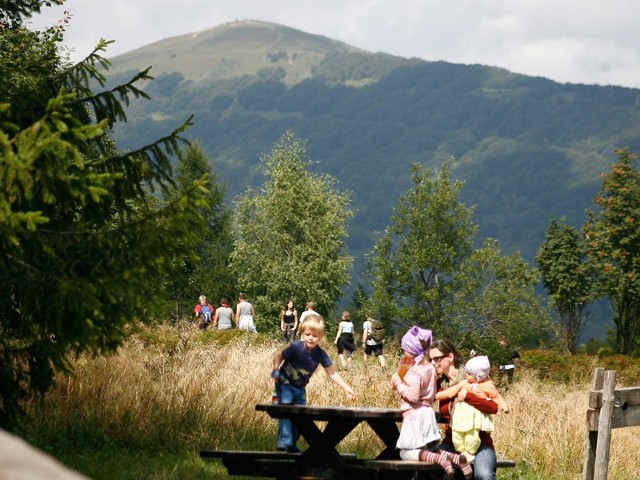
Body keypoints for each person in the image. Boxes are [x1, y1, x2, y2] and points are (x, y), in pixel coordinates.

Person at [391, 326, 472, 480]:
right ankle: (455, 458)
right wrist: (404, 369)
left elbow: (413, 396)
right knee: (428, 450)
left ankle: (441, 459)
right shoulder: (430, 368)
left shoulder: (415, 371)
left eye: (405, 349)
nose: (403, 353)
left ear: (412, 350)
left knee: (404, 452)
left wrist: (398, 383)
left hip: (415, 416)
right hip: (428, 413)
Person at [272, 314, 356, 452]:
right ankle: (284, 444)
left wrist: (346, 388)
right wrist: (276, 369)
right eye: (308, 334)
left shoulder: (321, 354)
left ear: (321, 336)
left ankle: (291, 444)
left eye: (315, 335)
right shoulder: (296, 347)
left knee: (301, 416)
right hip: (284, 383)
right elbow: (278, 357)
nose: (311, 338)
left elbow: (332, 373)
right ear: (303, 333)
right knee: (287, 411)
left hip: (300, 387)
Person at [430, 339, 499, 480]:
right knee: (427, 465)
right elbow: (421, 399)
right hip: (452, 443)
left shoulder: (474, 379)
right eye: (430, 359)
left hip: (480, 443)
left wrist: (468, 396)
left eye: (437, 358)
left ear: (450, 357)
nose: (433, 363)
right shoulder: (439, 384)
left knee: (484, 475)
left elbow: (493, 407)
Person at [435, 356, 510, 463]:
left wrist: (504, 406)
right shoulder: (464, 383)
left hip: (475, 420)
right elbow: (452, 391)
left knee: (472, 436)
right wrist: (440, 395)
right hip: (460, 418)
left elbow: (496, 397)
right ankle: (461, 451)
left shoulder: (487, 386)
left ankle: (469, 452)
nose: (466, 375)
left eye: (469, 374)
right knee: (457, 434)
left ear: (478, 377)